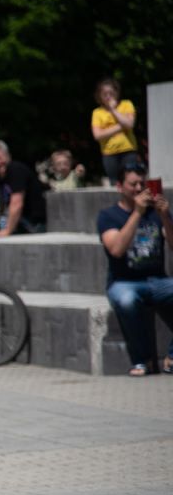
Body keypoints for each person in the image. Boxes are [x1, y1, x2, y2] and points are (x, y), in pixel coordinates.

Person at [96, 160, 173, 376]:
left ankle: (171, 357)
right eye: (133, 184)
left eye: (142, 184)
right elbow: (116, 249)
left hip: (158, 280)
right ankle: (142, 360)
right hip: (123, 282)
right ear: (120, 187)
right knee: (127, 301)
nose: (139, 189)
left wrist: (165, 216)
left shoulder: (156, 213)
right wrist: (137, 213)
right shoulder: (108, 216)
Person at [0, 140, 46, 236]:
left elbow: (17, 203)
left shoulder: (15, 170)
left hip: (33, 224)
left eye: (0, 158)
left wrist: (8, 230)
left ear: (8, 156)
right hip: (18, 224)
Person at [91, 78, 140, 185]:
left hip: (128, 150)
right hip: (109, 154)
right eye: (105, 94)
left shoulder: (126, 104)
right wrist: (121, 126)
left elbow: (130, 124)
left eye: (111, 93)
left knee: (131, 181)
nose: (108, 96)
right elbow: (98, 135)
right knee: (115, 183)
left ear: (117, 93)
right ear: (99, 96)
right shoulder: (97, 112)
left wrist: (113, 110)